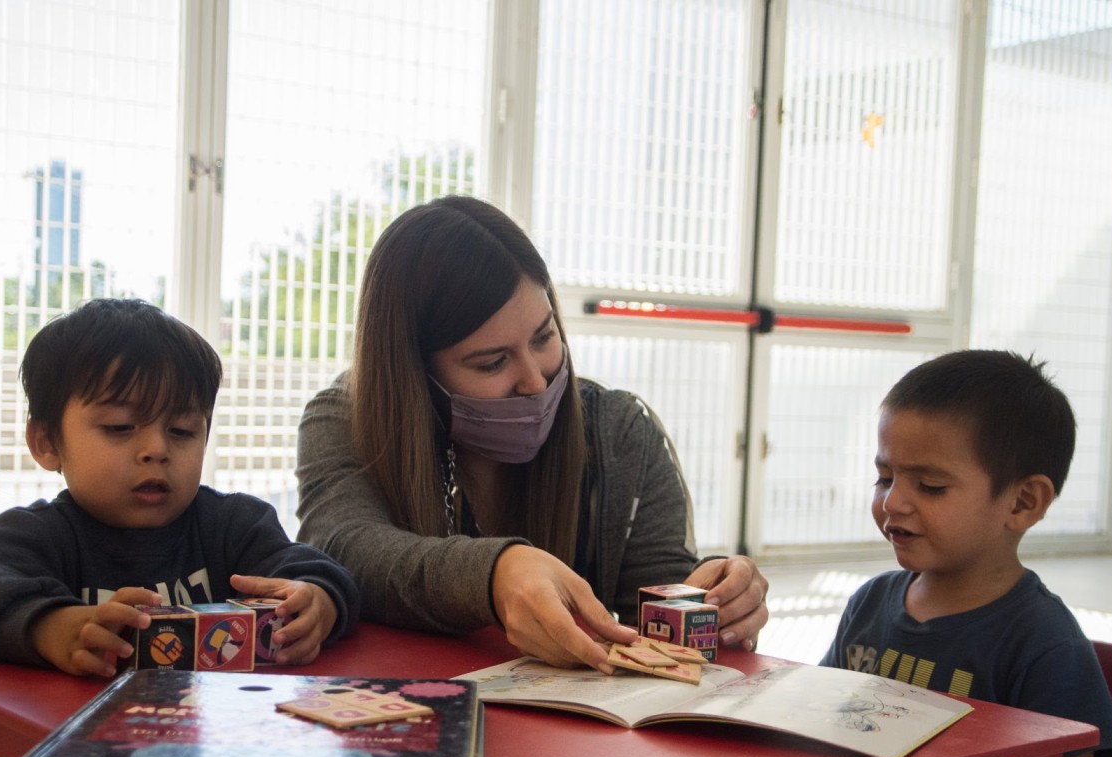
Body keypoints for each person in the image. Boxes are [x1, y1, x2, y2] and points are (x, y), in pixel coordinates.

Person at [295, 195, 767, 675]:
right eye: (493, 363)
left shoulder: (619, 430)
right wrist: (495, 574)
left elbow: (661, 603)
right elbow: (344, 548)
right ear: (415, 375)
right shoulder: (344, 419)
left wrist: (721, 597)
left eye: (544, 337)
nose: (536, 381)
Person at [0, 298, 360, 677]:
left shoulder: (234, 525)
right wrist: (52, 627)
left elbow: (320, 572)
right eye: (120, 427)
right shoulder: (35, 535)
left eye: (182, 430)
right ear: (46, 443)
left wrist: (318, 602)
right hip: (69, 752)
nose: (156, 449)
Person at [819, 350, 1112, 757]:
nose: (893, 502)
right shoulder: (868, 603)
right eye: (884, 478)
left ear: (1023, 502)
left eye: (931, 486)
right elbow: (818, 729)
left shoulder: (1044, 643)